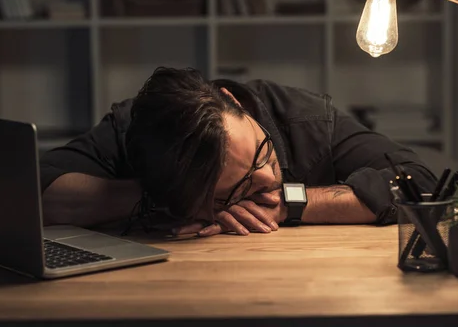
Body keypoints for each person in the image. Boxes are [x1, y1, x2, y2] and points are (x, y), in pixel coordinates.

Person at [40, 67, 437, 237]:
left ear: (235, 104)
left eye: (261, 152)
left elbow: (421, 184)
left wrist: (290, 204)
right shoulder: (137, 131)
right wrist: (165, 201)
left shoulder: (307, 120)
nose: (267, 179)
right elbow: (36, 191)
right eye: (234, 190)